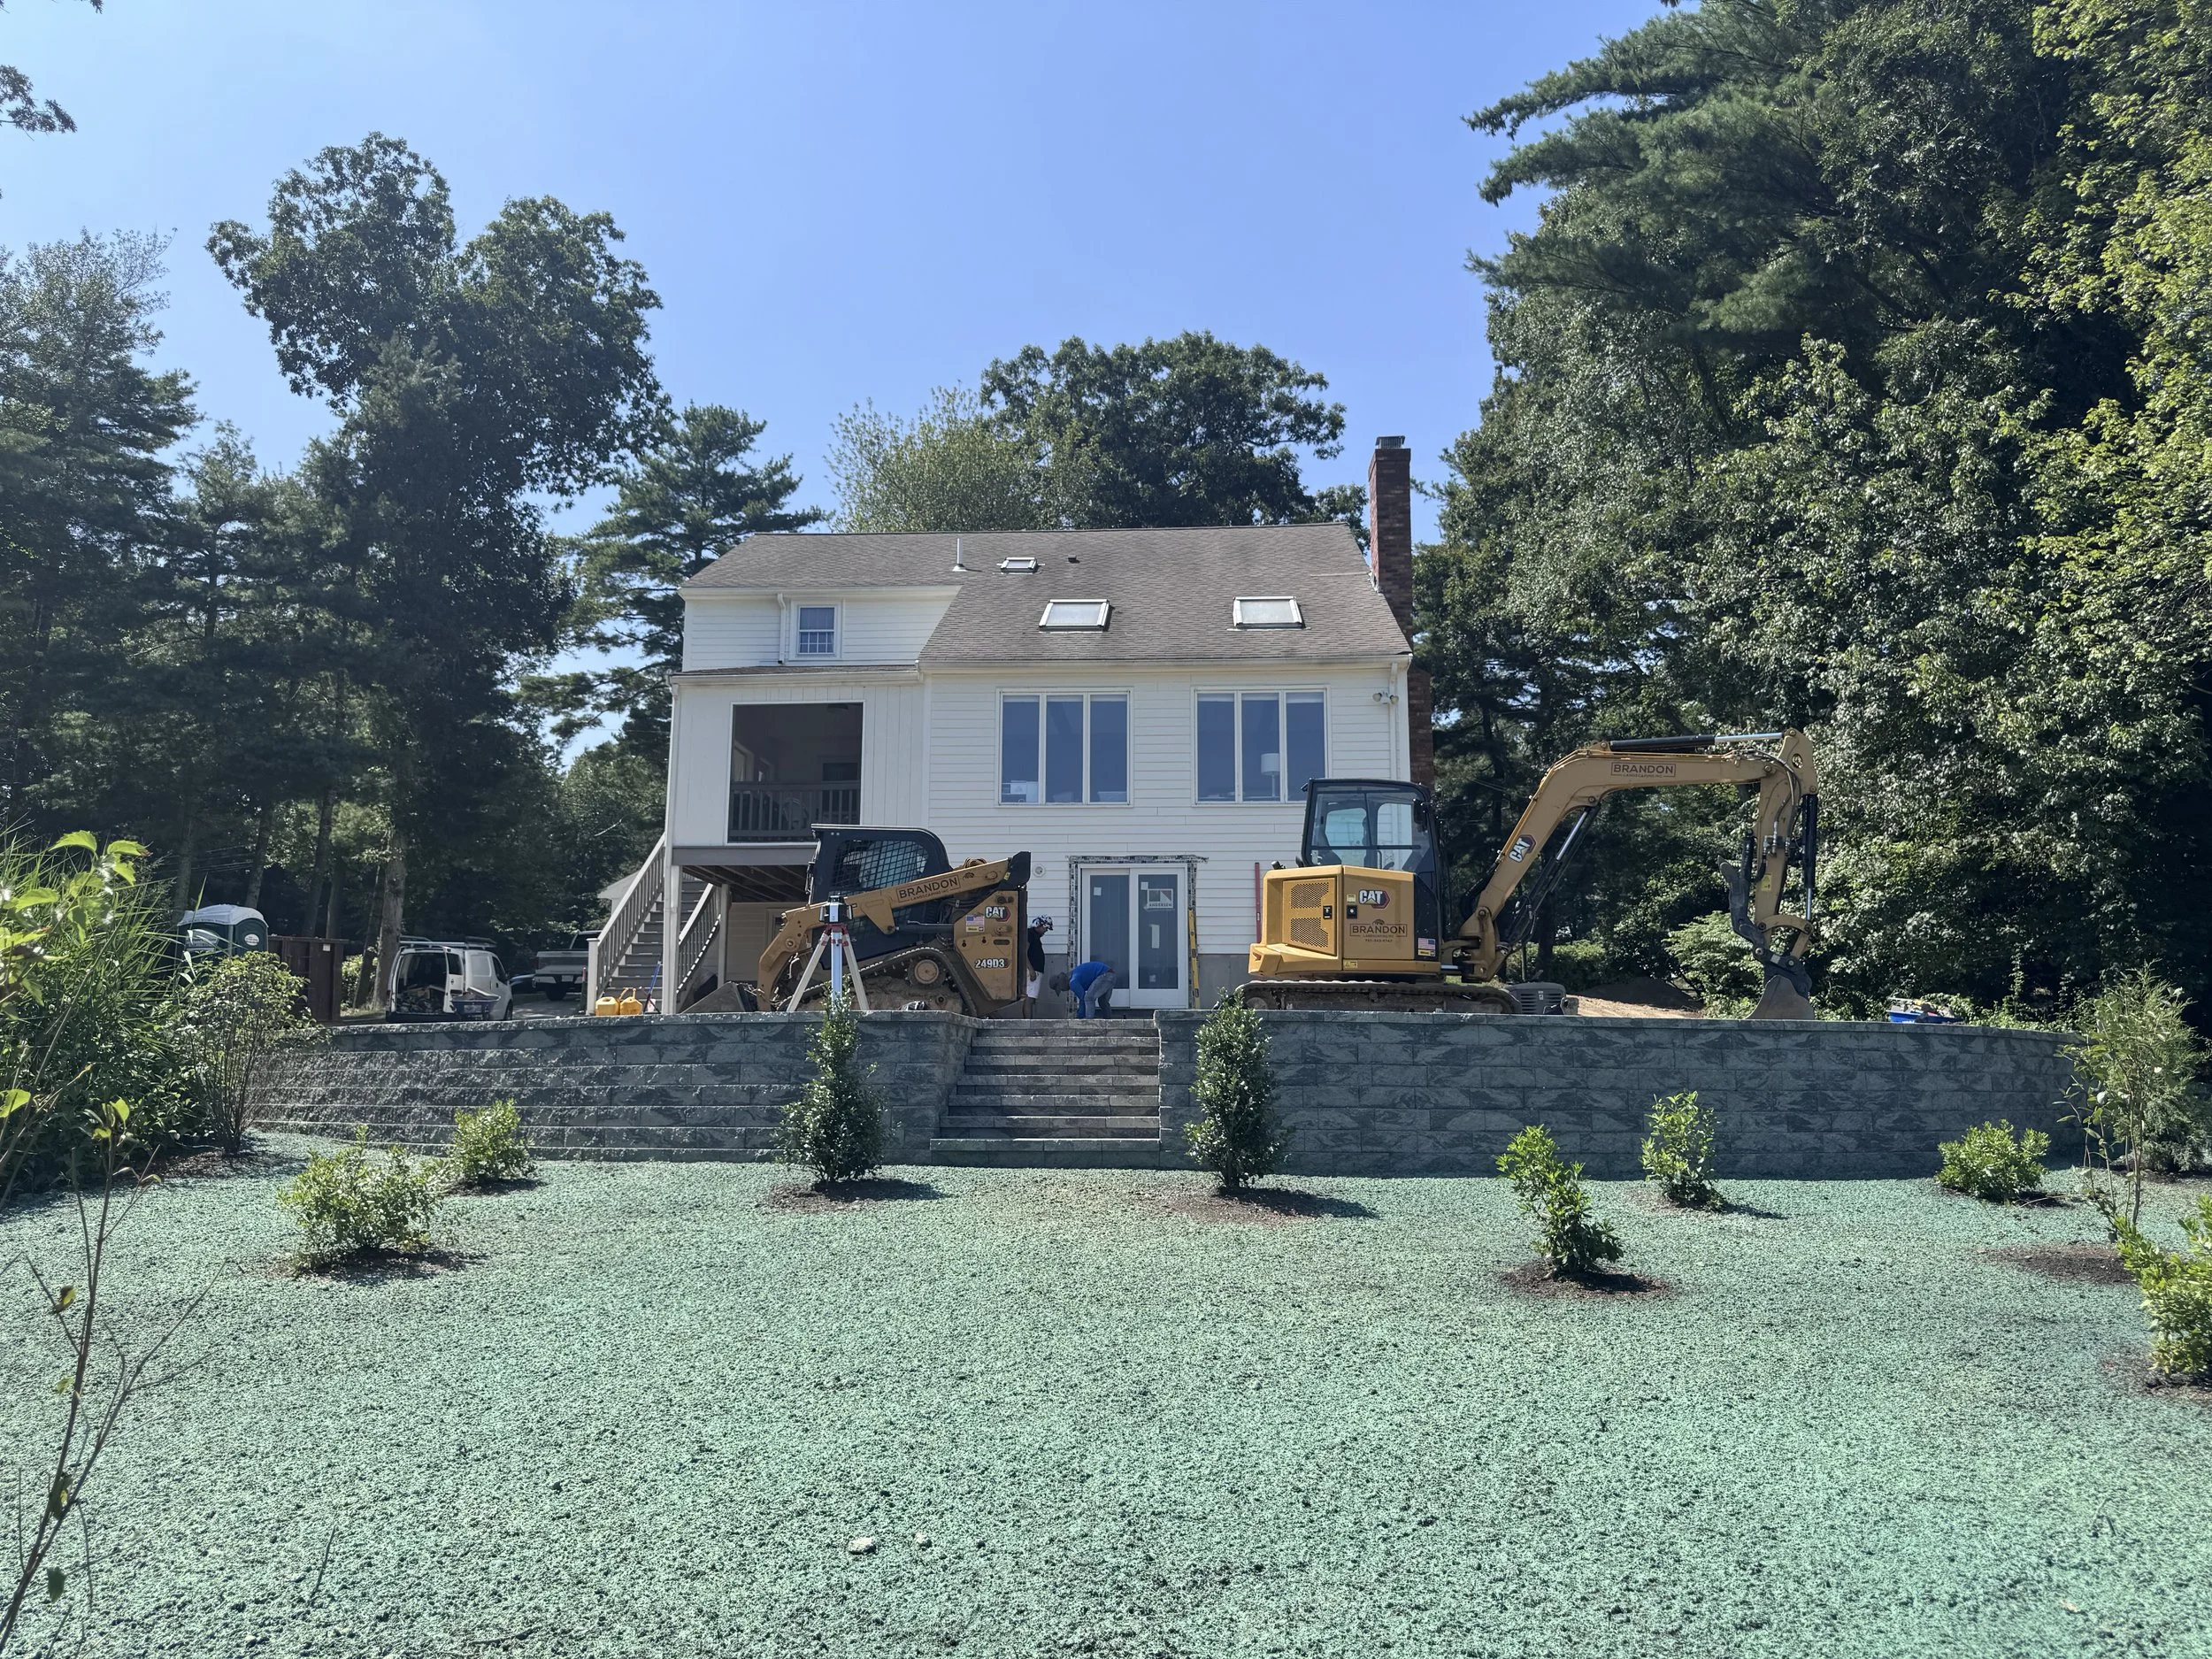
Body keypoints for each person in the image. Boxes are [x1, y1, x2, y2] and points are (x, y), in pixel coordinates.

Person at [1051, 960, 1117, 1020]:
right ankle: (1108, 1021)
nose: (1063, 990)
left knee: (1089, 998)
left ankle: (1088, 1023)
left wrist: (1080, 1016)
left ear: (1061, 983)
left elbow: (1082, 998)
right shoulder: (1074, 975)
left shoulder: (1072, 982)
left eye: (1061, 989)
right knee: (1102, 1001)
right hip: (1111, 974)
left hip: (1104, 975)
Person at [1025, 917, 1053, 1010]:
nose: (1046, 931)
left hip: (1035, 970)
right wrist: (1031, 970)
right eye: (1046, 928)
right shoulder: (1030, 934)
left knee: (1031, 998)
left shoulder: (1034, 936)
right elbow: (1023, 952)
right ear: (1039, 925)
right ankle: (1028, 1023)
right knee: (1029, 998)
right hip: (1032, 970)